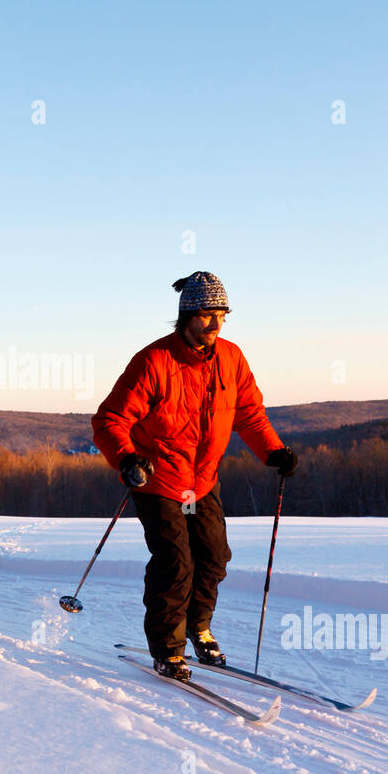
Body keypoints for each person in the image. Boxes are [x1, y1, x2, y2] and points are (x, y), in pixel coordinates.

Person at [91, 271, 297, 682]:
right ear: (186, 315)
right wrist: (127, 458)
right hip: (159, 479)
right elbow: (110, 419)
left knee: (214, 557)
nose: (216, 324)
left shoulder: (232, 358)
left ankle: (197, 627)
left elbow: (249, 414)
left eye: (222, 315)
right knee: (175, 561)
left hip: (200, 481)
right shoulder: (155, 361)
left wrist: (273, 451)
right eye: (207, 315)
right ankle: (168, 646)